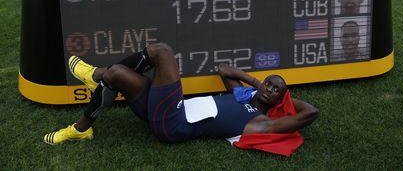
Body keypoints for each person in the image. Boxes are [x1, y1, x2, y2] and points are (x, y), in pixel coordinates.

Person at [44, 43, 319, 145]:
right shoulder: (243, 96)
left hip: (173, 124)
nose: (270, 89)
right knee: (117, 74)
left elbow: (311, 112)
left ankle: (95, 76)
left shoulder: (262, 122)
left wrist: (283, 97)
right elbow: (224, 70)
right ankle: (82, 128)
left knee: (161, 52)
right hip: (165, 111)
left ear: (280, 98)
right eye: (270, 84)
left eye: (276, 90)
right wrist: (257, 82)